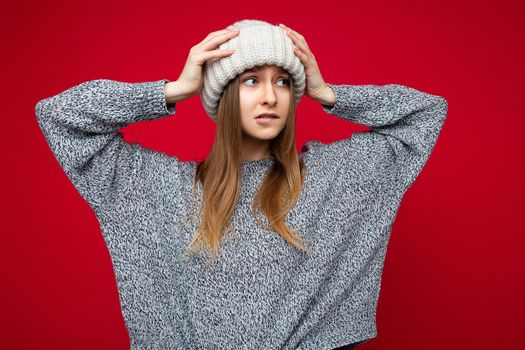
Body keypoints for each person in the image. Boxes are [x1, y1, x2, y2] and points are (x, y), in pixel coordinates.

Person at [35, 19, 448, 350]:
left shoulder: (335, 179)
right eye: (251, 79)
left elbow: (425, 114)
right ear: (224, 93)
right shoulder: (160, 190)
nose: (270, 96)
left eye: (283, 81)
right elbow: (60, 116)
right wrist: (174, 90)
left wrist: (326, 92)